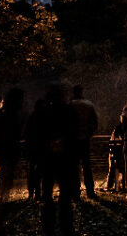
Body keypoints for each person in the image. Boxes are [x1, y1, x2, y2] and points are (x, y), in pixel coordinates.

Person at [37, 84, 78, 236]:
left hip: (48, 156)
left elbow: (38, 133)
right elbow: (75, 131)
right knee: (65, 191)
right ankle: (65, 224)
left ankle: (48, 225)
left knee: (47, 190)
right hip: (66, 156)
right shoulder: (69, 110)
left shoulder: (43, 111)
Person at [0, 88, 25, 200]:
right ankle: (2, 194)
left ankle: (1, 194)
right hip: (7, 147)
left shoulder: (1, 115)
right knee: (3, 172)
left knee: (0, 171)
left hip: (2, 147)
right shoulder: (5, 115)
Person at [69, 85, 99, 199]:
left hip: (73, 140)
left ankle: (76, 192)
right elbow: (95, 122)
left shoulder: (70, 105)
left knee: (74, 166)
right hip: (85, 138)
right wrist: (90, 133)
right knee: (87, 166)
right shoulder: (88, 105)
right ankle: (90, 191)